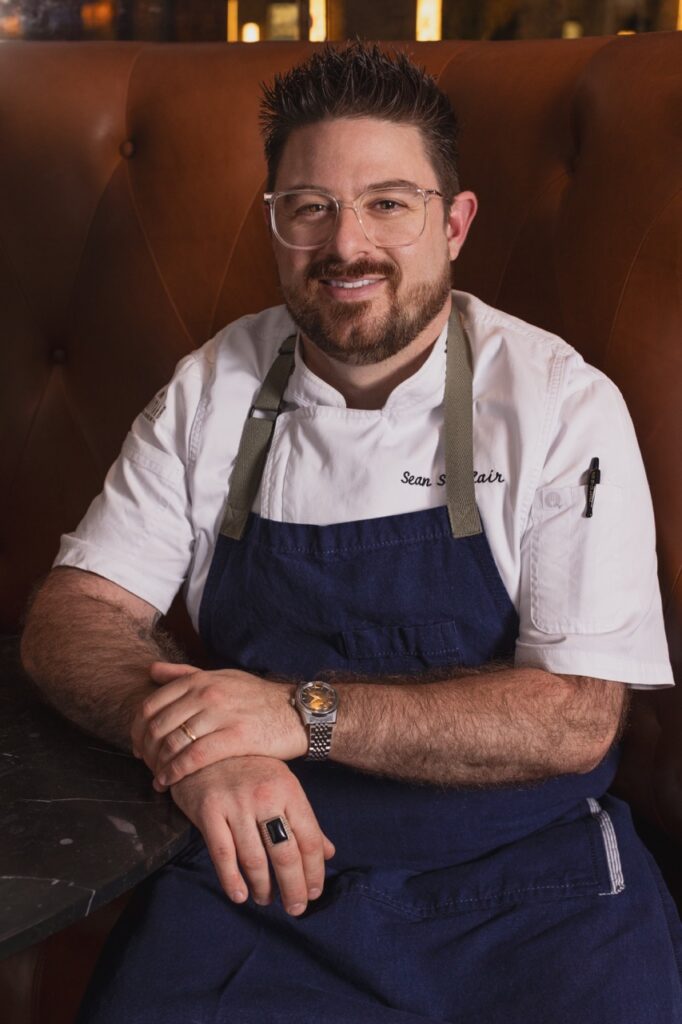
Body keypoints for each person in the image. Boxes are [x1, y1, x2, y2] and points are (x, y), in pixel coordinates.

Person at [21, 42, 680, 1024]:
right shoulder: (213, 389)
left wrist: (302, 713)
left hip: (535, 897)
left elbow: (576, 715)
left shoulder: (557, 403)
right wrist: (200, 745)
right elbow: (72, 616)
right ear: (275, 225)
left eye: (388, 202)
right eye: (309, 207)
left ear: (452, 223)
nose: (346, 244)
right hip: (262, 879)